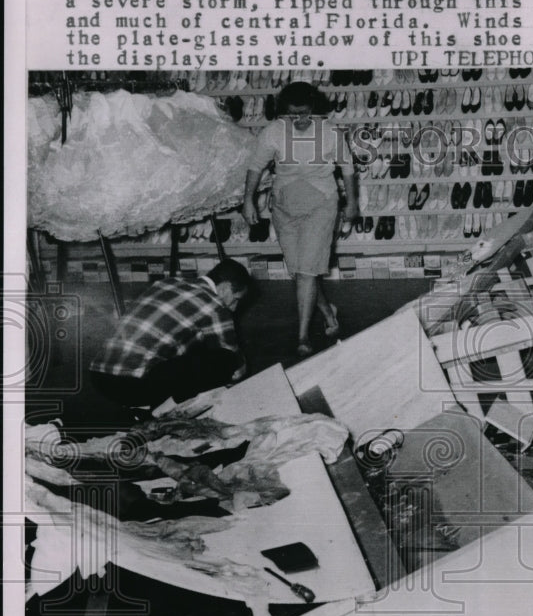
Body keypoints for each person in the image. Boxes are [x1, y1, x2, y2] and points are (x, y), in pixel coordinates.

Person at [242, 81, 359, 357]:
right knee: (300, 270)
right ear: (283, 111)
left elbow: (348, 170)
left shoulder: (330, 133)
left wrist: (352, 204)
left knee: (306, 272)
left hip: (321, 205)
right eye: (293, 115)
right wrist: (247, 200)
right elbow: (255, 167)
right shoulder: (272, 133)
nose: (301, 120)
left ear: (314, 108)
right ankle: (328, 312)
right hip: (284, 208)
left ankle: (303, 335)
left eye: (306, 113)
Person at [89, 259, 252, 409]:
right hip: (134, 384)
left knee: (196, 350)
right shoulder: (215, 305)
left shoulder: (167, 282)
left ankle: (144, 406)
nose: (234, 307)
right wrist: (240, 370)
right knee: (226, 360)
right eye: (236, 299)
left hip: (99, 376)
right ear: (225, 287)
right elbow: (230, 357)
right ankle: (161, 411)